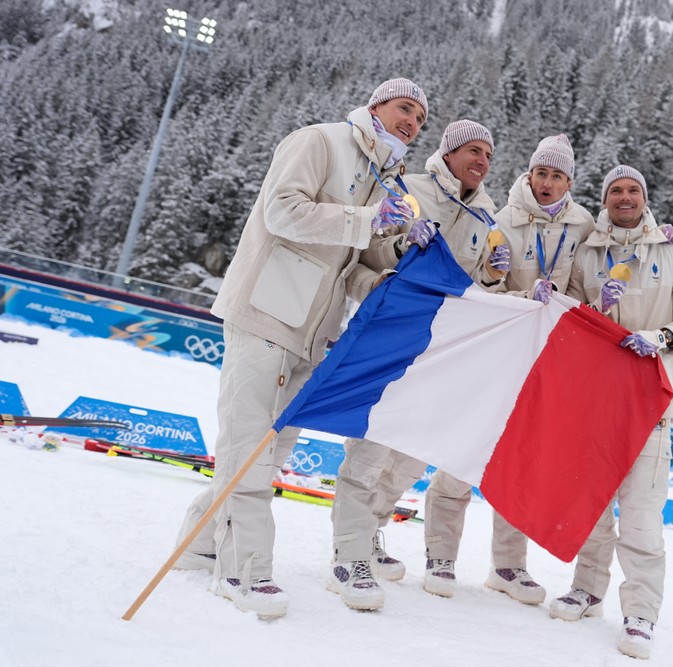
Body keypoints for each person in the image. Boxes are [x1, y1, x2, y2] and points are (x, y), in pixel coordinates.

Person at [171, 78, 429, 618]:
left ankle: (200, 541)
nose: (413, 122)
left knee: (273, 449)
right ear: (376, 104)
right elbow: (281, 212)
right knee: (249, 447)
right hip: (265, 312)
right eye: (406, 108)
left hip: (315, 331)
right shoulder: (320, 141)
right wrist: (364, 221)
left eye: (421, 120)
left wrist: (387, 270)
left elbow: (351, 266)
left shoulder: (389, 180)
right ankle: (243, 570)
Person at [329, 119, 511, 612]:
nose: (482, 162)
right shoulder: (410, 188)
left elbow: (474, 288)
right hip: (390, 344)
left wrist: (495, 280)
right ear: (448, 152)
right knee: (367, 457)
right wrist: (399, 244)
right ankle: (349, 558)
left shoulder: (487, 216)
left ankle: (370, 533)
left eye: (489, 155)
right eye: (473, 150)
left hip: (439, 355)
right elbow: (363, 261)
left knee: (409, 458)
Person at [420, 134, 596, 604]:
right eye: (541, 173)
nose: (547, 182)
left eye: (557, 176)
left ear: (569, 182)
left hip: (547, 358)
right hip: (500, 349)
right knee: (465, 448)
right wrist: (495, 276)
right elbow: (478, 285)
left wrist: (654, 235)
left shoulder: (584, 226)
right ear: (530, 173)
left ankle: (508, 565)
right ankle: (440, 555)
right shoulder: (502, 217)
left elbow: (610, 263)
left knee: (521, 459)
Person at [556, 165, 673, 660]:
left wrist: (662, 338)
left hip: (653, 402)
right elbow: (572, 322)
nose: (624, 198)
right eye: (616, 191)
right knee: (595, 508)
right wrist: (593, 310)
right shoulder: (589, 253)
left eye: (633, 191)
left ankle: (640, 612)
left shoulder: (672, 251)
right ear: (604, 200)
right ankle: (587, 589)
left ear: (645, 198)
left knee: (642, 518)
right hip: (598, 402)